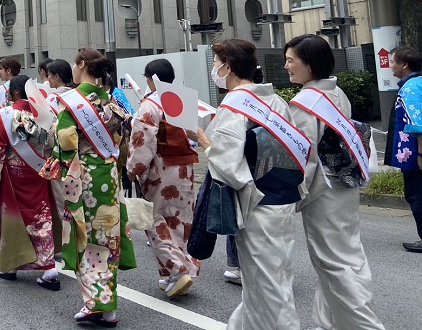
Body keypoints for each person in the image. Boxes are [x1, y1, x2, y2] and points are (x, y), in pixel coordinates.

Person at [196, 39, 308, 330]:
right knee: (271, 279)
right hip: (283, 198)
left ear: (228, 67)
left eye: (215, 63)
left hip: (256, 203)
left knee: (269, 288)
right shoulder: (274, 100)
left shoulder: (233, 104)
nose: (214, 69)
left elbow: (230, 166)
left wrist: (205, 143)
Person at [284, 34, 384, 330]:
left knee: (334, 263)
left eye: (291, 60)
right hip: (344, 185)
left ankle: (366, 325)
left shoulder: (304, 103)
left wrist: (295, 198)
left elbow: (305, 158)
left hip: (322, 192)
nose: (286, 66)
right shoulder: (337, 92)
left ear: (310, 65)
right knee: (347, 254)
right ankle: (326, 323)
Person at [45, 47, 136, 327]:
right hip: (108, 175)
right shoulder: (112, 101)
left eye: (74, 64)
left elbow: (64, 141)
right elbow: (122, 143)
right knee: (107, 238)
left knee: (87, 239)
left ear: (82, 64)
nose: (72, 69)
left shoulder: (71, 101)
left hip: (82, 176)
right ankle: (107, 307)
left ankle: (97, 305)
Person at [0, 75, 61, 289]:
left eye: (8, 91)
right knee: (40, 215)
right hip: (38, 170)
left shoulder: (7, 114)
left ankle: (10, 265)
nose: (6, 94)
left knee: (13, 220)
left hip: (14, 174)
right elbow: (54, 142)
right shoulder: (46, 114)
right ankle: (49, 268)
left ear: (16, 93)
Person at [127, 58, 200, 298]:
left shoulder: (150, 105)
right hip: (185, 169)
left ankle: (178, 271)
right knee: (179, 221)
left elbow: (142, 142)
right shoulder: (182, 101)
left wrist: (133, 169)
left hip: (161, 171)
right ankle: (172, 275)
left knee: (156, 221)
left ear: (151, 79)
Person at [388, 46, 422, 252]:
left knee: (417, 194)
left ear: (404, 65)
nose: (391, 66)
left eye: (393, 61)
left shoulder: (409, 87)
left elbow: (417, 123)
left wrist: (420, 153)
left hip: (414, 154)